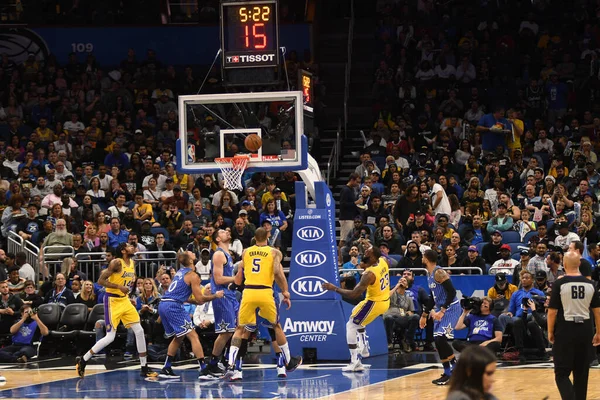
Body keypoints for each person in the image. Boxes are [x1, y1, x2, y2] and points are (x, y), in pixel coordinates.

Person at [224, 228, 302, 381]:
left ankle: (232, 365)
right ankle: (287, 362)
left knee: (241, 329)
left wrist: (234, 285)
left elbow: (239, 279)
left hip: (249, 292)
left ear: (254, 237)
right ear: (268, 236)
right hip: (266, 292)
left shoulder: (246, 252)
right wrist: (285, 291)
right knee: (275, 326)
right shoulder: (274, 253)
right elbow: (277, 273)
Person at [76, 243, 158, 378]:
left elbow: (129, 280)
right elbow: (101, 281)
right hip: (112, 300)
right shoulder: (116, 262)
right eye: (129, 246)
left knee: (139, 330)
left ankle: (144, 367)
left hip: (124, 300)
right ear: (123, 250)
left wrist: (128, 291)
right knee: (110, 336)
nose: (133, 247)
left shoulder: (132, 262)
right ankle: (83, 360)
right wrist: (118, 286)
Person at [323, 246, 390, 372]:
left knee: (351, 325)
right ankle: (364, 346)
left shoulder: (369, 274)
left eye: (368, 252)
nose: (365, 252)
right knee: (355, 315)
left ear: (373, 257)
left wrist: (334, 288)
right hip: (384, 300)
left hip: (374, 302)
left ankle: (355, 361)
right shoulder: (382, 261)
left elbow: (354, 294)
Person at [157, 251, 224, 379]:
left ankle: (166, 367)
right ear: (191, 260)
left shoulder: (180, 273)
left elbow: (187, 299)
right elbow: (199, 300)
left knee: (179, 337)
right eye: (191, 253)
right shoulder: (193, 276)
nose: (194, 253)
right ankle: (203, 369)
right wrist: (215, 296)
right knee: (193, 335)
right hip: (173, 306)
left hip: (164, 304)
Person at [548, 250, 600, 400]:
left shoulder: (560, 283)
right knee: (581, 375)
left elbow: (552, 312)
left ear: (564, 264)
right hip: (585, 330)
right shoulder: (591, 284)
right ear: (579, 264)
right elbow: (597, 312)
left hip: (565, 330)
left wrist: (551, 331)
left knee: (561, 374)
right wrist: (598, 332)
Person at [199, 229, 239, 380]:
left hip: (229, 296)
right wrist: (235, 279)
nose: (227, 232)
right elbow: (218, 279)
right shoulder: (218, 254)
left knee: (231, 330)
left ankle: (221, 361)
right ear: (217, 238)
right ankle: (213, 363)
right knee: (226, 332)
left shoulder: (226, 254)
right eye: (223, 231)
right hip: (222, 297)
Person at [419, 249, 462, 385]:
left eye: (422, 256)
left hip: (451, 308)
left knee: (441, 338)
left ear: (426, 258)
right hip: (441, 309)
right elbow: (432, 297)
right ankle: (447, 373)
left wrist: (442, 310)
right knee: (437, 340)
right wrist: (424, 315)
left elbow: (452, 291)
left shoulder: (439, 272)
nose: (421, 258)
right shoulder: (429, 274)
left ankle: (455, 370)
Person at [383, 277, 418, 351]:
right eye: (400, 280)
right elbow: (385, 297)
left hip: (402, 318)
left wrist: (409, 313)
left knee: (416, 317)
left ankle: (408, 340)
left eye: (404, 281)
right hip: (390, 317)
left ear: (407, 286)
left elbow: (412, 312)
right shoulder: (392, 293)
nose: (402, 281)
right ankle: (389, 343)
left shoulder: (409, 299)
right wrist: (396, 287)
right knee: (389, 318)